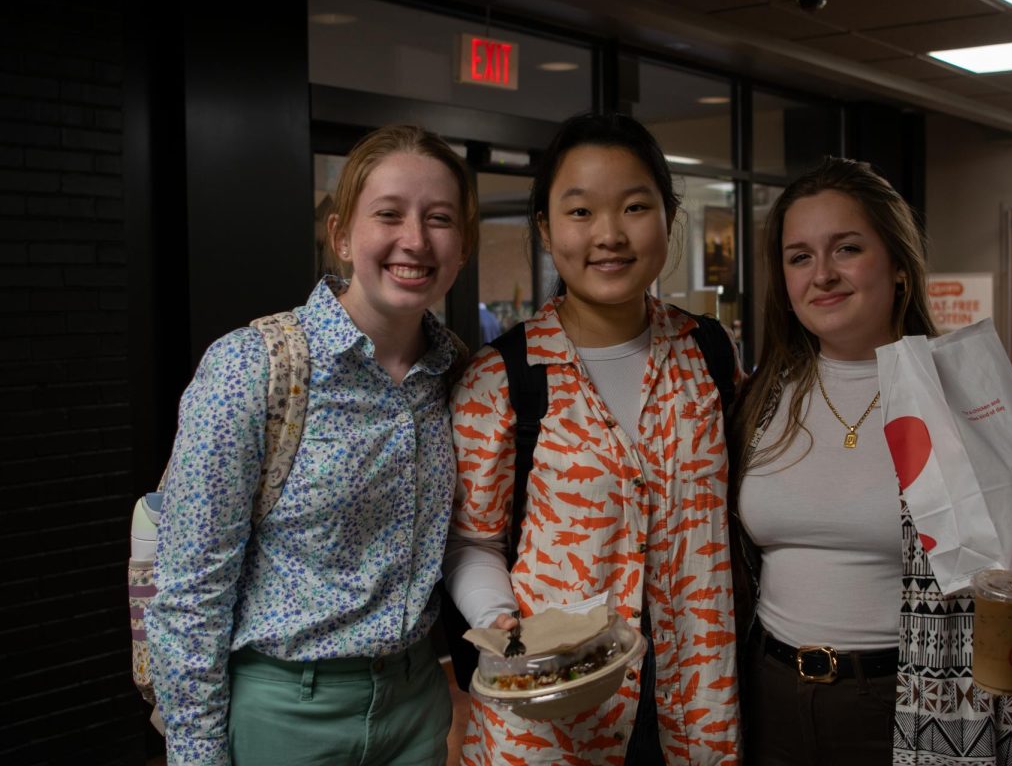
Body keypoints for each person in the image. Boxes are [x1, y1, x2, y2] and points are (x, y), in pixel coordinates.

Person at [727, 157, 1012, 766]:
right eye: (799, 257)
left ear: (898, 266)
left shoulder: (969, 398)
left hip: (913, 701)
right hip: (769, 695)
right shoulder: (758, 401)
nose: (822, 275)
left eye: (846, 248)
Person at [145, 124, 477, 766]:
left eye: (439, 219)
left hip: (416, 704)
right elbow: (190, 590)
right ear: (341, 236)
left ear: (462, 248)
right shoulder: (255, 368)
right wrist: (196, 753)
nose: (415, 239)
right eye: (389, 214)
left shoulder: (458, 373)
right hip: (285, 713)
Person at [444, 112, 742, 765]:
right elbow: (472, 540)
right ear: (548, 230)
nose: (609, 234)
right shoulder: (502, 378)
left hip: (695, 710)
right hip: (551, 717)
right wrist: (503, 627)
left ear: (668, 217)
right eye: (580, 213)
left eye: (635, 207)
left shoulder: (709, 355)